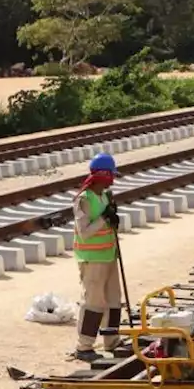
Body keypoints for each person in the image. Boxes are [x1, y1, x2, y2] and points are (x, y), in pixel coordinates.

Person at [72, 153, 124, 361]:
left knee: (113, 299)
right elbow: (84, 231)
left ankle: (111, 340)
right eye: (111, 175)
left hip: (109, 255)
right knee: (93, 302)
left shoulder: (105, 196)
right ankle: (84, 346)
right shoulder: (83, 199)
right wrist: (104, 218)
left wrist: (113, 219)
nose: (113, 180)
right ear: (103, 175)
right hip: (92, 258)